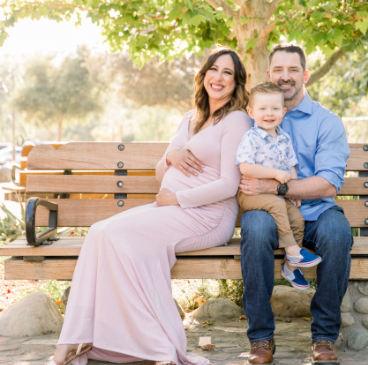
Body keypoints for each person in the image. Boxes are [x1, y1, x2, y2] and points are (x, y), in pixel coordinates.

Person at [47, 47, 252, 365]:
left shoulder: (237, 120)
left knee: (115, 236)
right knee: (101, 232)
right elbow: (161, 171)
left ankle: (157, 346)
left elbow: (229, 184)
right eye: (214, 69)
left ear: (237, 82)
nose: (219, 77)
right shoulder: (191, 118)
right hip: (170, 209)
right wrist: (171, 156)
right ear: (204, 74)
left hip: (207, 215)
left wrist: (179, 198)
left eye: (228, 73)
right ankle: (74, 340)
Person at [239, 44, 352, 365]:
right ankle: (260, 338)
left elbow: (329, 183)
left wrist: (276, 186)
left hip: (316, 212)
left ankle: (324, 337)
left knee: (337, 234)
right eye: (278, 70)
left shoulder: (326, 122)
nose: (285, 77)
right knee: (256, 228)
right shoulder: (253, 116)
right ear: (268, 75)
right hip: (267, 212)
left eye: (292, 71)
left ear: (304, 75)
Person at [236, 82, 322, 291]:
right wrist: (274, 174)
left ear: (283, 112)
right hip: (250, 193)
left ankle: (291, 268)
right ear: (251, 112)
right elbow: (245, 167)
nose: (269, 113)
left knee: (297, 219)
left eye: (275, 108)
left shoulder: (284, 138)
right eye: (262, 108)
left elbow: (290, 166)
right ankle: (293, 250)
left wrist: (294, 190)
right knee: (277, 205)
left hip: (279, 195)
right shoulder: (252, 137)